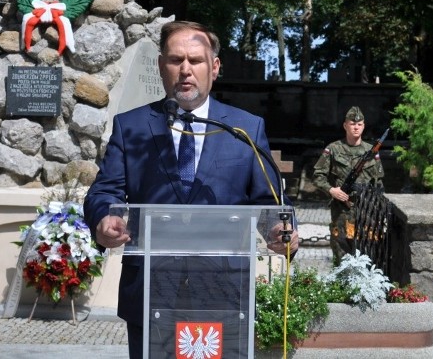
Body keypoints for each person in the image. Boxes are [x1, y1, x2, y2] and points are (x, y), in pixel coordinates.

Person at [83, 20, 299, 359]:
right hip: (150, 291)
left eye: (196, 61)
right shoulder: (131, 126)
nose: (186, 70)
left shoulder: (244, 129)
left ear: (214, 67)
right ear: (161, 65)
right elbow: (103, 192)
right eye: (175, 60)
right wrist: (103, 220)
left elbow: (268, 200)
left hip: (224, 291)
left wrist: (279, 228)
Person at [312, 106, 384, 266]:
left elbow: (379, 183)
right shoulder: (333, 149)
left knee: (368, 255)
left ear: (363, 126)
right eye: (352, 123)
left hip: (367, 211)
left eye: (359, 124)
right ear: (345, 126)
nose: (356, 127)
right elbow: (318, 176)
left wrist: (379, 209)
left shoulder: (372, 151)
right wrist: (332, 190)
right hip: (342, 210)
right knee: (342, 254)